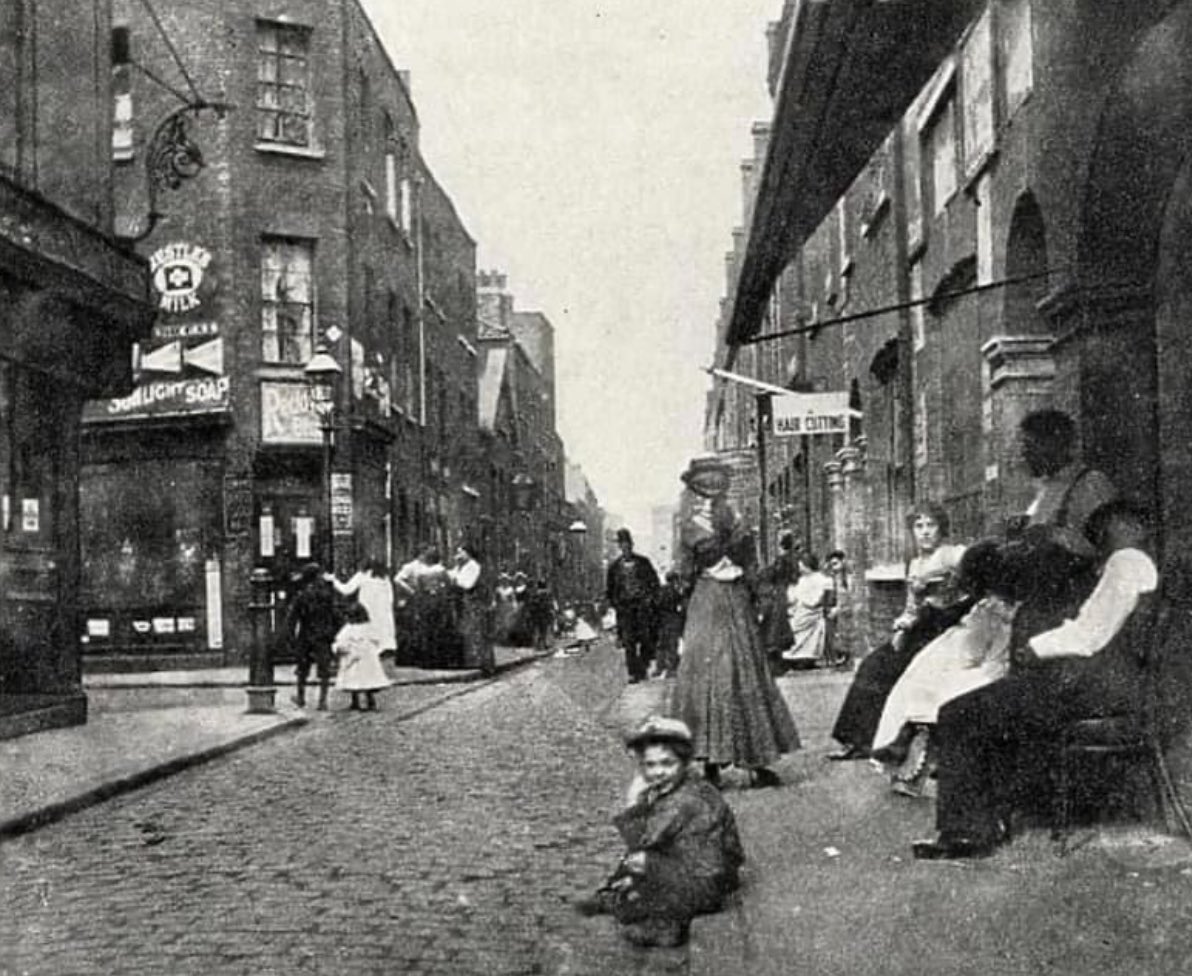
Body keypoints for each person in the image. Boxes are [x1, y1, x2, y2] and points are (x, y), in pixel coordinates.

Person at [912, 500, 1158, 860]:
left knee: (959, 712)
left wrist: (1036, 647)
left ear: (1133, 526)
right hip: (1102, 683)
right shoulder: (1131, 565)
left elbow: (1090, 636)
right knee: (988, 702)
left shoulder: (1127, 564)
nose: (1104, 535)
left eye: (1113, 526)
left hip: (1093, 689)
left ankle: (967, 833)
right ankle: (988, 818)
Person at [670, 460, 800, 788]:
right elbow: (749, 562)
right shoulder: (730, 519)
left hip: (711, 599)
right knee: (740, 672)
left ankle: (717, 760)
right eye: (706, 487)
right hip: (727, 599)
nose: (709, 493)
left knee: (717, 674)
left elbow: (684, 571)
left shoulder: (690, 522)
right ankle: (747, 760)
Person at [870, 541, 1027, 796]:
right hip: (959, 656)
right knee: (915, 681)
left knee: (934, 689)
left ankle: (915, 749)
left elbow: (982, 652)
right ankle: (906, 748)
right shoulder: (985, 604)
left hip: (982, 665)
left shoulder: (997, 610)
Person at [574, 716, 745, 948]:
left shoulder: (684, 799)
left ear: (684, 763)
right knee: (641, 867)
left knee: (641, 862)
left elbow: (640, 841)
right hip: (704, 871)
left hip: (707, 883)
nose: (658, 773)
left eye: (667, 763)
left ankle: (665, 925)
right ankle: (616, 895)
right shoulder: (683, 786)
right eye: (650, 765)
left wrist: (634, 798)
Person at [827, 503, 969, 760]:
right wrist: (901, 624)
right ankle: (860, 740)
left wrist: (948, 594)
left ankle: (890, 740)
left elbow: (972, 589)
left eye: (931, 525)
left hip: (945, 628)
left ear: (941, 529)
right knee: (872, 664)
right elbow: (911, 607)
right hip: (919, 629)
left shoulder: (953, 556)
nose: (925, 532)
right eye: (919, 526)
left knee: (895, 668)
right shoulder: (914, 564)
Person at [606, 528, 661, 683]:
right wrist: (615, 604)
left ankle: (642, 666)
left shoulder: (643, 563)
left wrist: (650, 599)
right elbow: (610, 589)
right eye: (622, 546)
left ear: (632, 545)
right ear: (620, 548)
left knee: (645, 639)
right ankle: (633, 672)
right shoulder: (614, 568)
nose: (625, 549)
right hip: (625, 609)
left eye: (628, 545)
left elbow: (654, 583)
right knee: (629, 641)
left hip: (643, 608)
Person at [285, 562, 340, 711]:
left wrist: (289, 636)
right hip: (323, 635)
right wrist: (335, 633)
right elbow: (336, 615)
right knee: (324, 669)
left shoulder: (301, 595)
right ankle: (322, 701)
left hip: (306, 635)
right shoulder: (327, 594)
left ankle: (301, 697)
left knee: (302, 668)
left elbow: (292, 618)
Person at [327, 558, 396, 660]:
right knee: (380, 637)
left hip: (366, 610)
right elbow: (391, 598)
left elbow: (347, 590)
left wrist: (334, 581)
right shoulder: (385, 579)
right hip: (383, 612)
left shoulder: (362, 576)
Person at [333, 601, 391, 711]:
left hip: (354, 657)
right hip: (367, 658)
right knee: (367, 679)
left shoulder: (349, 628)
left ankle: (356, 702)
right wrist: (374, 650)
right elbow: (377, 640)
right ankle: (370, 702)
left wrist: (340, 648)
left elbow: (341, 640)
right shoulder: (369, 627)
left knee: (354, 679)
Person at [780, 553, 834, 669]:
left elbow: (818, 598)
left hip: (811, 611)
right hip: (800, 609)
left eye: (802, 566)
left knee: (803, 626)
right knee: (792, 625)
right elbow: (794, 596)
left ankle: (806, 656)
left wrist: (806, 601)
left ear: (808, 566)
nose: (800, 569)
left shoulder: (821, 579)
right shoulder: (802, 580)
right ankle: (794, 656)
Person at [449, 542, 495, 676]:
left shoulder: (473, 566)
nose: (457, 555)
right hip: (465, 603)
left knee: (476, 632)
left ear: (467, 553)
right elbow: (451, 575)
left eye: (460, 552)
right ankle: (470, 662)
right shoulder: (460, 567)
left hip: (474, 604)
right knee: (466, 631)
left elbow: (467, 584)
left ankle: (482, 663)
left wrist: (453, 579)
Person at [757, 531, 801, 658]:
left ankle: (774, 644)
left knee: (776, 617)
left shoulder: (782, 559)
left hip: (780, 588)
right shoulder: (794, 557)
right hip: (787, 586)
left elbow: (775, 572)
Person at [653, 571, 687, 679]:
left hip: (662, 620)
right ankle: (671, 670)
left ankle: (659, 668)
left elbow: (656, 604)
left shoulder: (660, 590)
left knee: (661, 645)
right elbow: (681, 607)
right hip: (672, 620)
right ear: (674, 580)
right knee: (672, 645)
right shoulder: (676, 592)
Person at [823, 550, 851, 667]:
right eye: (832, 565)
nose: (834, 568)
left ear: (843, 562)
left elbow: (848, 596)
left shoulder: (848, 577)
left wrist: (839, 608)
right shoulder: (834, 577)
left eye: (836, 564)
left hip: (846, 610)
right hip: (837, 608)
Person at [526, 578, 557, 651]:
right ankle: (544, 644)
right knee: (544, 630)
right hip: (544, 613)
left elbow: (532, 603)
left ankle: (540, 644)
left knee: (539, 630)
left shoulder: (536, 593)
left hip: (539, 614)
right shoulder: (547, 593)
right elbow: (551, 603)